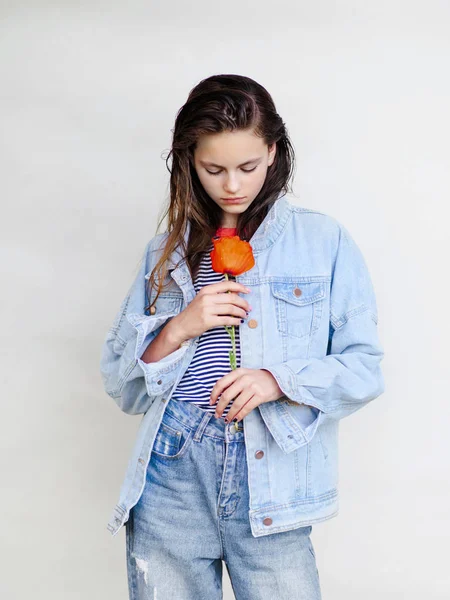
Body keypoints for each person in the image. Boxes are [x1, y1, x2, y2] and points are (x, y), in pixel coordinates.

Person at [100, 73, 385, 600]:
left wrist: (278, 379)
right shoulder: (165, 253)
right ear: (189, 161)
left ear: (273, 153)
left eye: (248, 166)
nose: (233, 184)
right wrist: (180, 326)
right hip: (174, 470)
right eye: (214, 169)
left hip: (270, 468)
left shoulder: (322, 241)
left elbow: (365, 368)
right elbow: (123, 387)